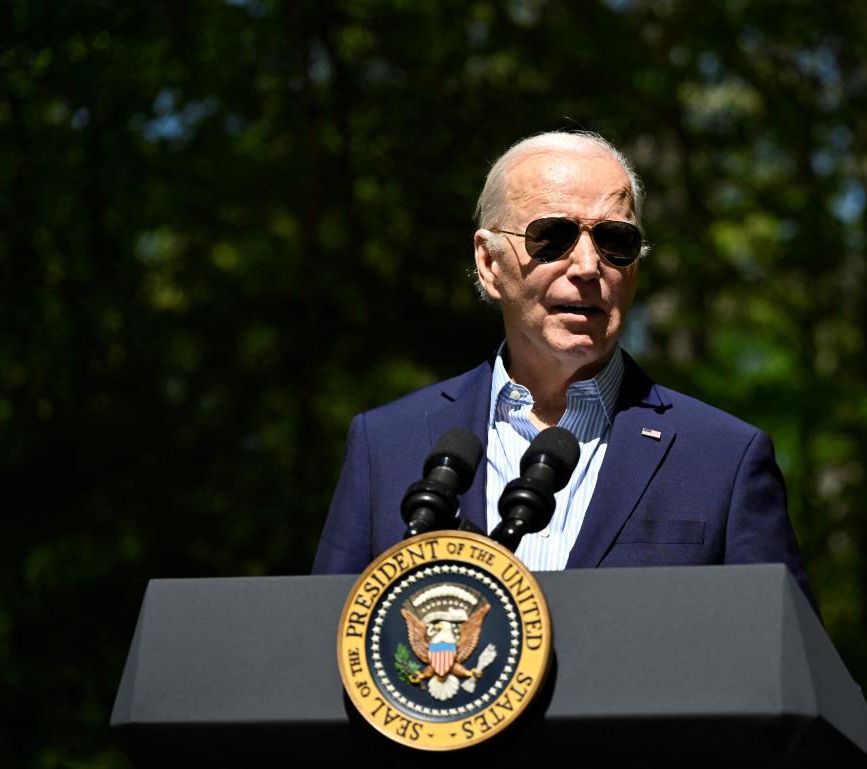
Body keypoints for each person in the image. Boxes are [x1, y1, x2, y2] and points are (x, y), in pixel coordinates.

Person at [312, 131, 817, 612]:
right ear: (489, 264)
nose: (587, 266)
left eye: (615, 241)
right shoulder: (385, 444)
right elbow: (318, 652)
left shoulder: (724, 459)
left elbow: (793, 674)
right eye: (552, 236)